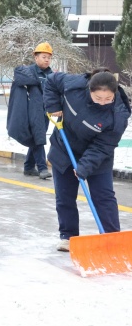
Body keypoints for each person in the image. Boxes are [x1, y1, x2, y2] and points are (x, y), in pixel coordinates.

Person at [44, 68, 131, 252]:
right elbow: (51, 81)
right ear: (89, 90)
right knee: (65, 196)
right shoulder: (74, 85)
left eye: (108, 99)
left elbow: (102, 147)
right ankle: (68, 237)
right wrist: (53, 106)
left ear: (114, 94)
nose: (103, 103)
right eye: (98, 98)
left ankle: (111, 238)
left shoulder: (118, 116)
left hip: (98, 157)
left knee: (103, 197)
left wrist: (84, 166)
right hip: (64, 149)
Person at [7, 42, 54, 179]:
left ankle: (28, 166)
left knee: (36, 138)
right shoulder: (29, 72)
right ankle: (42, 168)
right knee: (38, 138)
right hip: (32, 111)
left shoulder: (50, 75)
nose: (46, 60)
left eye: (49, 57)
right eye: (44, 56)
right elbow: (19, 75)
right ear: (36, 58)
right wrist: (36, 82)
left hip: (45, 112)